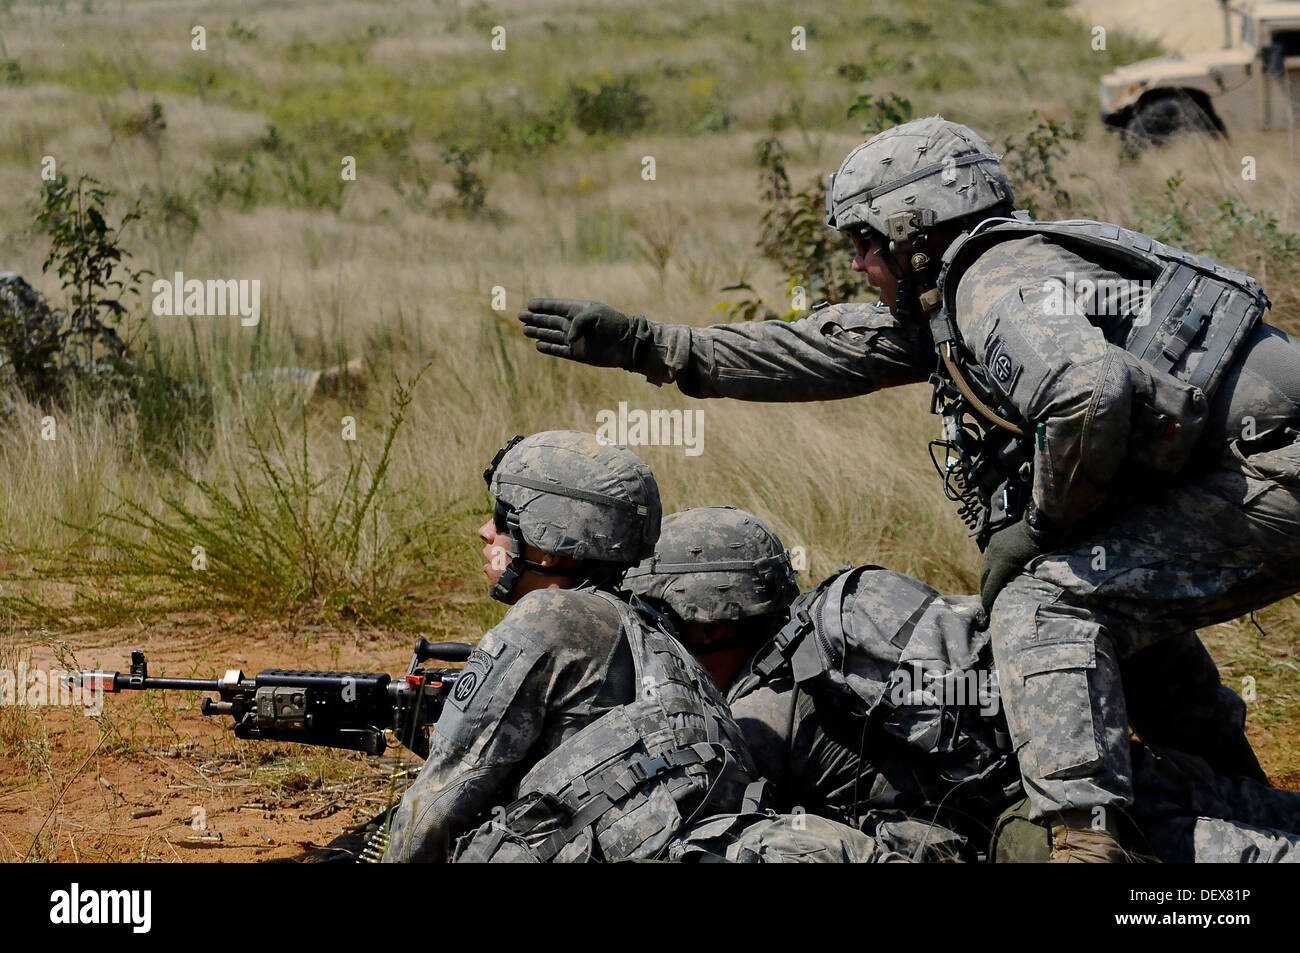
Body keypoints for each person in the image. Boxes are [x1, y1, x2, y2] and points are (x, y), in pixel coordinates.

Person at [519, 115, 1300, 859]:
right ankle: (1238, 794)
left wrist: (1040, 527)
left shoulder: (994, 284)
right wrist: (653, 345)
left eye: (865, 243)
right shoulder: (968, 289)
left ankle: (1084, 844)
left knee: (1046, 600)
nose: (857, 265)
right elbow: (819, 348)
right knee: (1125, 616)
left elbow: (1088, 391)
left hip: (1274, 470)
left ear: (917, 234)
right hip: (1266, 469)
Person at [626, 505, 1300, 862]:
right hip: (1111, 768)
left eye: (666, 620)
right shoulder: (841, 626)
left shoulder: (761, 717)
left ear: (710, 626)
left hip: (1073, 832)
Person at [381, 431, 756, 862]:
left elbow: (434, 805)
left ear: (547, 546)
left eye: (504, 519)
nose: (485, 532)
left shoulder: (548, 615)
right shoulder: (657, 632)